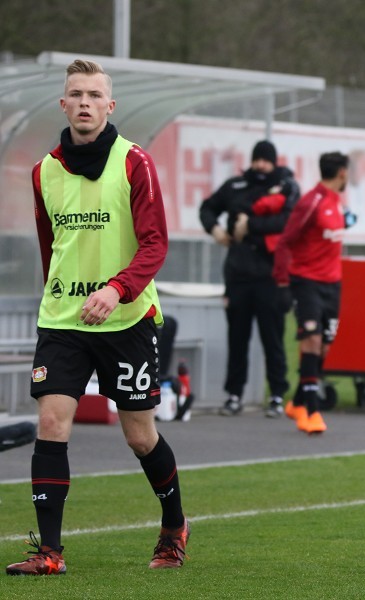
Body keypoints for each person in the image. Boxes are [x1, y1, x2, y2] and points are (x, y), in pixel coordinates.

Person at [6, 59, 189, 575]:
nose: (84, 102)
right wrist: (60, 298)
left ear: (110, 106)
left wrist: (117, 288)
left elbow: (155, 245)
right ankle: (50, 552)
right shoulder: (44, 171)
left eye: (94, 95)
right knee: (50, 422)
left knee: (139, 435)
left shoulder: (135, 163)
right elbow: (51, 247)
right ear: (63, 105)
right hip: (63, 319)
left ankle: (174, 526)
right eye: (75, 94)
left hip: (126, 319)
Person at [199, 139, 299, 418]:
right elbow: (207, 207)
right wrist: (215, 230)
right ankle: (234, 395)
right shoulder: (235, 186)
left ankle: (277, 394)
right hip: (238, 275)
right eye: (257, 160)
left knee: (273, 339)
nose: (261, 165)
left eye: (266, 161)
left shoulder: (284, 185)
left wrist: (249, 225)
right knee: (237, 338)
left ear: (274, 162)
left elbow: (289, 222)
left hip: (270, 276)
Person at [273, 152, 351, 435]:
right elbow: (285, 242)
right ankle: (312, 411)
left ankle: (296, 401)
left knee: (325, 347)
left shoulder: (337, 202)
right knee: (311, 342)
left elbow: (328, 233)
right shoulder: (312, 201)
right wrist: (282, 283)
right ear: (343, 173)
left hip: (333, 285)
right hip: (306, 283)